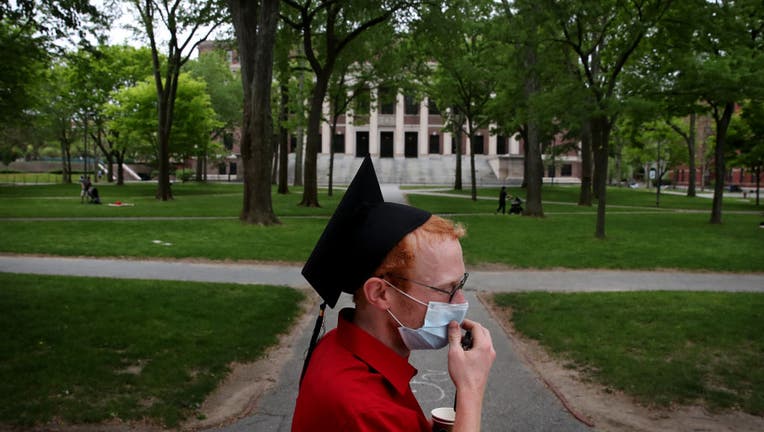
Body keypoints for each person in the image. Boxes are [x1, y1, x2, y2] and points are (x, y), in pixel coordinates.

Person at [293, 155, 496, 432]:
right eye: (447, 289)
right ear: (380, 293)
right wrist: (472, 387)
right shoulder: (367, 410)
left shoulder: (336, 344)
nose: (461, 303)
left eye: (460, 285)